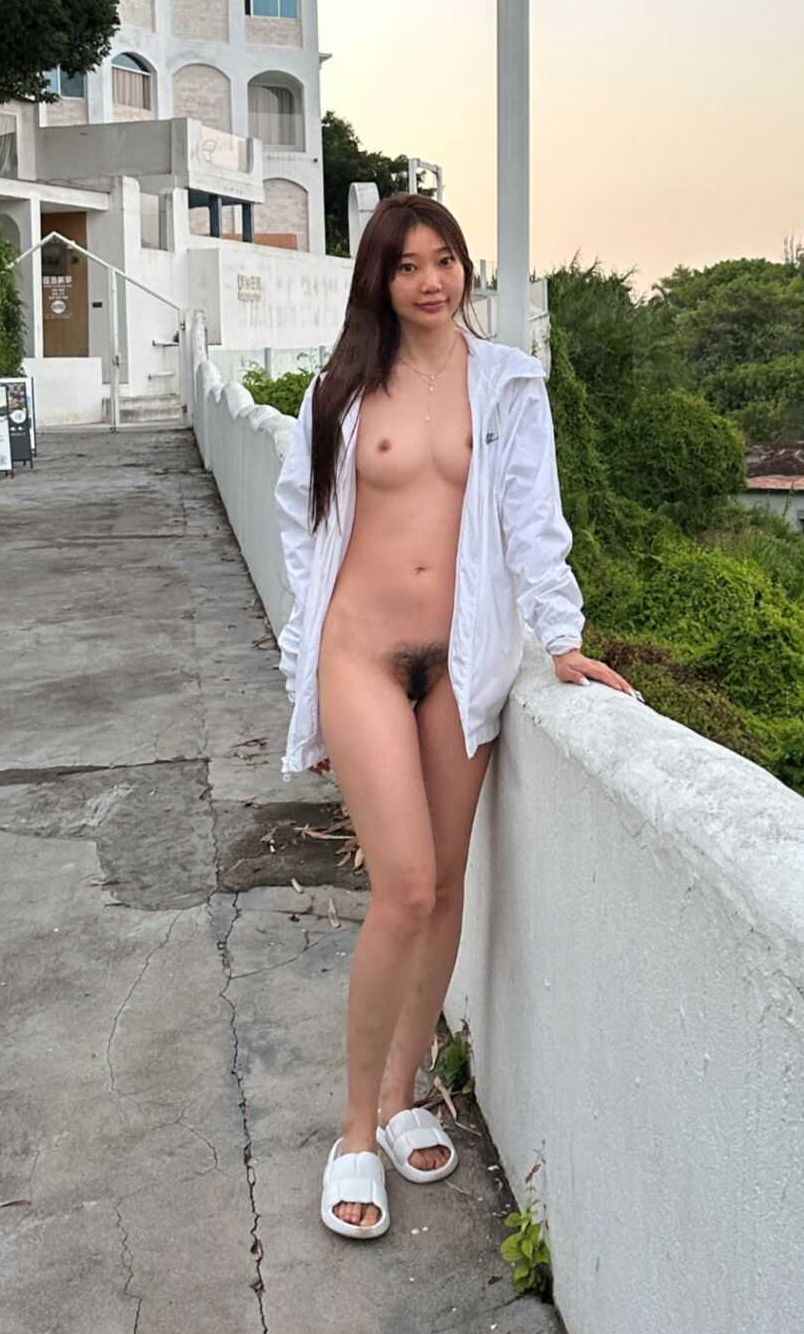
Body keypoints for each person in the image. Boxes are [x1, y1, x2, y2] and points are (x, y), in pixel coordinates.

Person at [273, 193, 637, 1238]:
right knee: (403, 888)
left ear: (465, 269)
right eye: (407, 266)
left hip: (464, 658)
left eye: (445, 261)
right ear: (379, 281)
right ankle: (352, 1132)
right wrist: (307, 656)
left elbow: (532, 518)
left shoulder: (508, 385)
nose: (431, 282)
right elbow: (301, 518)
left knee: (444, 887)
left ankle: (400, 1099)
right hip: (361, 655)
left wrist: (561, 639)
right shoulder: (342, 389)